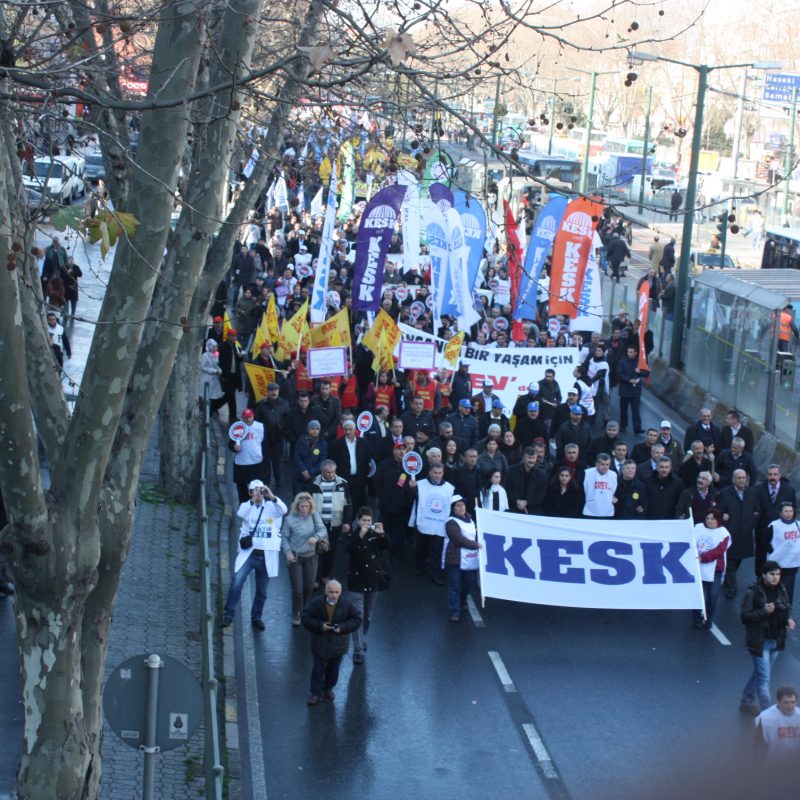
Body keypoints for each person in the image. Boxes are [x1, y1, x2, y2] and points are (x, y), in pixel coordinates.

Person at [221, 480, 287, 630]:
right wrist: (253, 501)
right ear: (250, 492)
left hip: (266, 555)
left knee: (262, 590)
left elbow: (283, 509)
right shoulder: (247, 506)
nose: (258, 493)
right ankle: (228, 614)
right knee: (237, 582)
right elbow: (240, 513)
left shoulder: (271, 507)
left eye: (260, 490)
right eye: (255, 490)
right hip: (249, 553)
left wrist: (271, 496)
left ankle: (256, 616)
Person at [739, 561, 796, 714]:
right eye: (771, 574)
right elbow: (744, 617)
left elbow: (786, 609)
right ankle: (769, 714)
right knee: (764, 679)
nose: (775, 577)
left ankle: (746, 700)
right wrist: (764, 611)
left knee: (760, 673)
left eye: (778, 574)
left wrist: (789, 620)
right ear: (764, 575)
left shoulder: (782, 589)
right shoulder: (753, 592)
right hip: (760, 641)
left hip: (776, 640)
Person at [301, 580, 361, 705]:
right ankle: (315, 693)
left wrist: (342, 627)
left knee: (333, 670)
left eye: (337, 592)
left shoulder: (347, 604)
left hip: (338, 645)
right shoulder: (317, 603)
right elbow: (306, 618)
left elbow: (357, 619)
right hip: (320, 643)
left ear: (340, 592)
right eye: (331, 592)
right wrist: (320, 625)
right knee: (317, 670)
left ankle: (328, 688)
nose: (334, 595)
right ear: (325, 592)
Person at [344, 507, 388, 664]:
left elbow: (386, 546)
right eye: (364, 520)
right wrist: (360, 536)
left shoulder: (375, 535)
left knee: (367, 616)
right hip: (357, 580)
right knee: (358, 616)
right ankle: (358, 650)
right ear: (358, 520)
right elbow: (348, 548)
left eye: (369, 520)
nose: (366, 523)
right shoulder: (353, 535)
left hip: (372, 580)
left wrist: (382, 534)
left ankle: (361, 639)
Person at [281, 492, 328, 626]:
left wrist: (316, 538)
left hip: (311, 556)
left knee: (308, 587)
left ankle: (304, 609)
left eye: (307, 506)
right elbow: (284, 538)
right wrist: (287, 552)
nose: (305, 509)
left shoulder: (314, 516)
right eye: (302, 506)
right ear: (297, 506)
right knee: (297, 589)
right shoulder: (289, 520)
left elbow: (323, 530)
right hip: (295, 557)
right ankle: (297, 613)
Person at [718, 469, 760, 599]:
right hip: (730, 533)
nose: (742, 480)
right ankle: (732, 586)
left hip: (745, 533)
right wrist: (724, 518)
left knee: (739, 558)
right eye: (739, 478)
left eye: (744, 478)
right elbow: (719, 510)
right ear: (733, 479)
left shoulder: (752, 492)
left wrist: (752, 523)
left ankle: (728, 579)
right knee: (730, 559)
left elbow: (757, 511)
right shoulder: (725, 493)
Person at [309, 461, 352, 587]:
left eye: (333, 472)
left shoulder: (343, 484)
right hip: (318, 524)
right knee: (317, 551)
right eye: (328, 472)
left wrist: (347, 522)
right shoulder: (313, 484)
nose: (331, 474)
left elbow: (348, 505)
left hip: (335, 524)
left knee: (330, 552)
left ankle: (326, 575)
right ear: (322, 472)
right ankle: (316, 578)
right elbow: (307, 503)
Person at [411, 463, 455, 585]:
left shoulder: (449, 488)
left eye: (440, 473)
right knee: (420, 548)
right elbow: (410, 499)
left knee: (436, 552)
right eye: (435, 473)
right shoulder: (420, 484)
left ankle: (435, 575)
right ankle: (419, 567)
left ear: (443, 473)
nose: (437, 475)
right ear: (430, 473)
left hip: (439, 525)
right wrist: (411, 489)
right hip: (423, 522)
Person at [443, 495, 482, 622]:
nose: (461, 507)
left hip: (470, 558)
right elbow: (458, 540)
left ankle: (463, 601)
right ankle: (455, 611)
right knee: (455, 586)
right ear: (453, 508)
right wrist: (476, 545)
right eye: (458, 505)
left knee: (468, 585)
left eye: (462, 505)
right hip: (455, 558)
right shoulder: (451, 522)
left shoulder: (471, 520)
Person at [692, 509, 731, 630]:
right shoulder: (698, 528)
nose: (709, 521)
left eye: (712, 519)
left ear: (717, 520)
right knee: (698, 595)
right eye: (708, 518)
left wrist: (703, 558)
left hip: (715, 569)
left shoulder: (723, 533)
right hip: (698, 567)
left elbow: (719, 551)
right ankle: (697, 619)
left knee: (712, 596)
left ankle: (708, 619)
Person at [328, 419, 370, 509]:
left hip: (360, 480)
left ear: (355, 430)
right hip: (343, 481)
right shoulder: (335, 444)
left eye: (350, 429)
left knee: (360, 506)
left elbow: (367, 461)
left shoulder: (364, 443)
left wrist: (364, 477)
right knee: (345, 506)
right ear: (343, 430)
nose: (348, 432)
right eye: (346, 429)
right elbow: (332, 462)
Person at [253, 382, 289, 489]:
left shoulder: (284, 404)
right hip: (265, 438)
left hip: (278, 437)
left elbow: (287, 420)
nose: (274, 392)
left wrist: (284, 432)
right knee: (265, 461)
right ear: (267, 392)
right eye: (271, 390)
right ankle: (266, 481)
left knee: (277, 461)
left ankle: (278, 480)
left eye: (275, 390)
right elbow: (256, 420)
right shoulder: (261, 404)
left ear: (278, 391)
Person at [230, 408, 268, 502]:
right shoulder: (237, 427)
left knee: (258, 489)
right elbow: (230, 443)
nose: (248, 419)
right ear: (242, 417)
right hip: (241, 463)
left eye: (249, 417)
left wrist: (265, 460)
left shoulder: (260, 427)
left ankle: (258, 506)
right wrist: (234, 447)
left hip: (256, 463)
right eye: (245, 417)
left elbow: (265, 444)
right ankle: (244, 507)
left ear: (253, 416)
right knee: (242, 491)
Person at [754, 686, 800, 760]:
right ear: (778, 702)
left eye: (793, 702)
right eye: (786, 702)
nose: (790, 706)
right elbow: (759, 743)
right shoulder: (765, 718)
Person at [769, 502, 800, 604]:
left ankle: (786, 607)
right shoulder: (774, 525)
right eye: (786, 511)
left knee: (788, 588)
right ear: (780, 513)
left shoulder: (798, 525)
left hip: (792, 563)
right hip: (777, 563)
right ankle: (773, 606)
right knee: (775, 586)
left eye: (791, 511)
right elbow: (766, 542)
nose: (788, 513)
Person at [507, 447, 548, 515]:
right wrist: (517, 501)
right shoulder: (511, 471)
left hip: (533, 509)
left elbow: (541, 494)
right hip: (513, 507)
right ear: (523, 458)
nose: (531, 460)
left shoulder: (542, 475)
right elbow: (507, 489)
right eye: (529, 457)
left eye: (533, 458)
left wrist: (527, 502)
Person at [616, 346, 647, 434]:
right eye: (628, 352)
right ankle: (623, 426)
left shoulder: (640, 362)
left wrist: (640, 372)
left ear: (636, 353)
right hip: (625, 390)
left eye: (631, 352)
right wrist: (629, 380)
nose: (628, 354)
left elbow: (647, 373)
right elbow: (619, 373)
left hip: (635, 391)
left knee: (636, 410)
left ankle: (637, 428)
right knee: (623, 410)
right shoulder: (622, 361)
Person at [293, 419, 327, 495]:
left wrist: (311, 472)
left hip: (315, 477)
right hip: (300, 476)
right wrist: (303, 470)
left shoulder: (323, 443)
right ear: (308, 430)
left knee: (313, 499)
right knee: (299, 498)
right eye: (313, 428)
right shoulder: (300, 441)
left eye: (317, 429)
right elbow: (297, 457)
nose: (315, 431)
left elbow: (323, 460)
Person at [583, 453, 617, 518]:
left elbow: (616, 491)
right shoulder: (586, 473)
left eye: (607, 464)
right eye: (602, 464)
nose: (605, 467)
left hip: (608, 512)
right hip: (590, 512)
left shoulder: (614, 475)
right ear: (596, 464)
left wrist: (615, 497)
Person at [198, 340, 226, 414]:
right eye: (214, 347)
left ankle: (211, 410)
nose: (215, 348)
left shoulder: (217, 355)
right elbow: (202, 367)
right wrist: (214, 371)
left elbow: (218, 365)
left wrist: (219, 370)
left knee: (213, 397)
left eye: (216, 346)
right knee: (206, 396)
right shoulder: (205, 355)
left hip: (215, 379)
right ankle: (204, 412)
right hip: (207, 379)